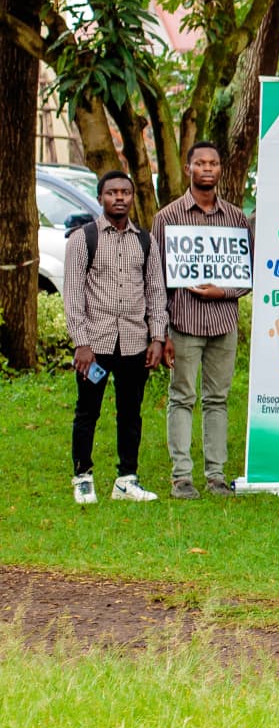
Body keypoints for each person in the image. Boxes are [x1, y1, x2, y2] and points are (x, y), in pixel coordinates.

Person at [64, 171, 168, 503]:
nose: (119, 197)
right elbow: (73, 294)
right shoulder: (84, 238)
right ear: (100, 198)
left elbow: (155, 292)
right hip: (95, 346)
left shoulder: (145, 241)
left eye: (125, 192)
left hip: (134, 343)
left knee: (130, 412)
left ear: (132, 197)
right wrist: (81, 343)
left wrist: (157, 338)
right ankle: (83, 476)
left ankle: (127, 479)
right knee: (87, 411)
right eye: (112, 192)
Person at [153, 139, 249, 498]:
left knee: (217, 399)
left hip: (223, 323)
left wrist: (221, 291)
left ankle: (216, 476)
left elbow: (246, 275)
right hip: (184, 323)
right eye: (200, 163)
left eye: (213, 163)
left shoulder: (236, 218)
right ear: (189, 168)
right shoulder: (167, 218)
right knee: (182, 396)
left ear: (220, 169)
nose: (207, 169)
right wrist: (162, 332)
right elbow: (155, 279)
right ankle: (181, 477)